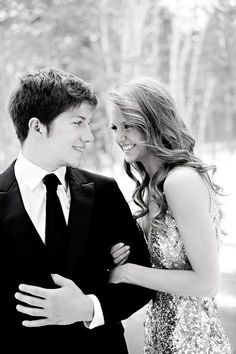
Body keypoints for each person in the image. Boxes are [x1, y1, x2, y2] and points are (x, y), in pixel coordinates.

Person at [0, 67, 153, 353]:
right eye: (78, 123)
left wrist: (88, 307)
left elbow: (142, 280)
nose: (89, 137)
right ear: (37, 127)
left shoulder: (104, 192)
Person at [108, 77, 233, 354]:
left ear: (153, 122)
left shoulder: (181, 181)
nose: (119, 138)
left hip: (195, 343)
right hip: (160, 338)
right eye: (115, 127)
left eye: (128, 126)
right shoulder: (154, 186)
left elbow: (207, 282)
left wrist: (127, 272)